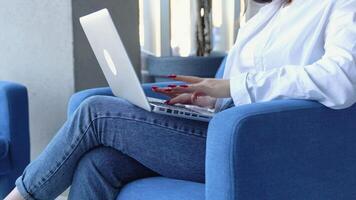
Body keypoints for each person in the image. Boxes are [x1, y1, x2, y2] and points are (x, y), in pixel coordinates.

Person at [5, 0, 356, 199]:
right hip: (221, 127)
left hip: (259, 146)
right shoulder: (264, 14)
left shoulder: (338, 5)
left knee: (95, 112)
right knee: (99, 162)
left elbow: (342, 79)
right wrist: (205, 98)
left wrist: (234, 87)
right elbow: (228, 86)